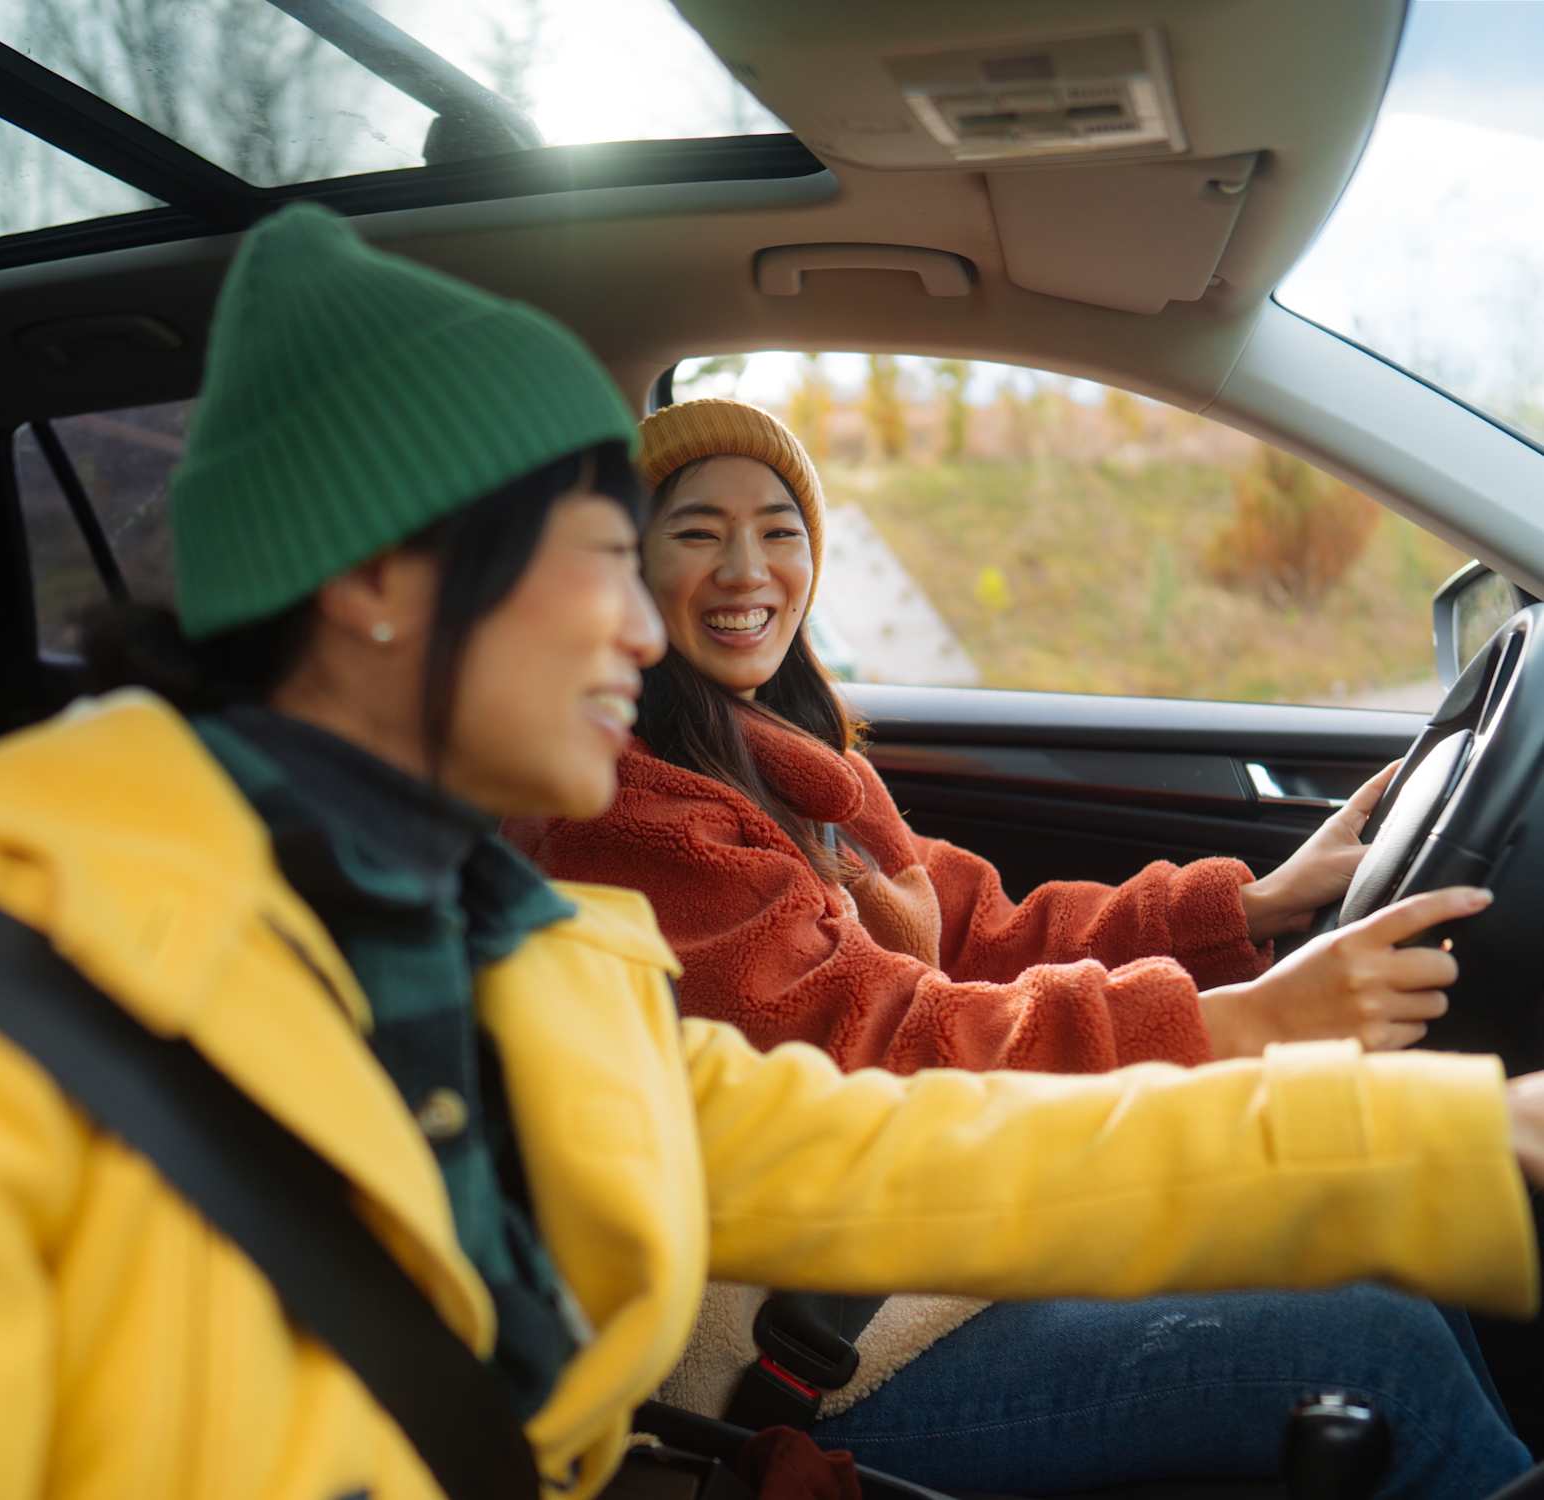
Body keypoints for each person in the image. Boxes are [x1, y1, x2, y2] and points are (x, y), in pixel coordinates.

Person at [0, 207, 1540, 1500]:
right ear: (382, 576)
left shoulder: (513, 949)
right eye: (605, 556)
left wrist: (1446, 1142)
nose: (654, 626)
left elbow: (910, 1157)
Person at [509, 396, 1537, 1496]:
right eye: (696, 531)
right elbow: (876, 1050)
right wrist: (1234, 1023)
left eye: (778, 529)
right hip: (802, 1344)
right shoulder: (629, 817)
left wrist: (1248, 908)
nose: (746, 569)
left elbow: (982, 934)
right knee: (1369, 1335)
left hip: (907, 1250)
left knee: (1389, 1269)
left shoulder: (784, 764)